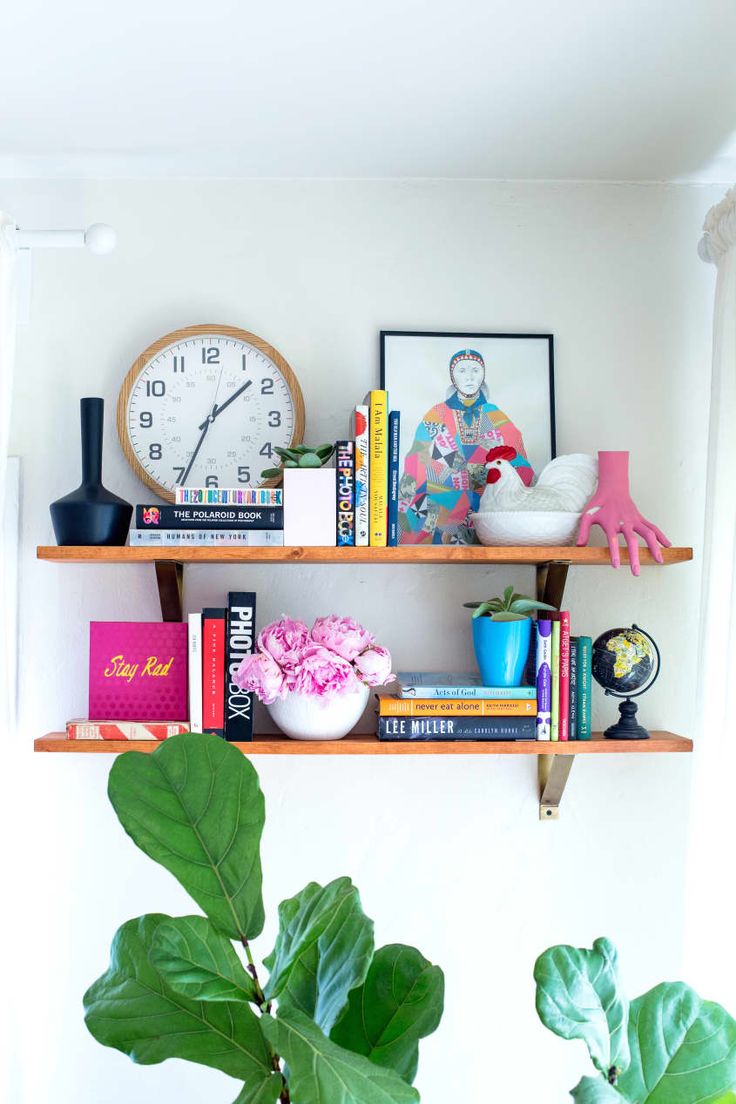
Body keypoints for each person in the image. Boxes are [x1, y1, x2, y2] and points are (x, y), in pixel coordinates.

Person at [398, 349, 533, 544]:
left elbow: (516, 454)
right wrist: (450, 468)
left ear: (483, 375)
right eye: (462, 371)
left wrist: (487, 470)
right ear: (452, 377)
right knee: (422, 509)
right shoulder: (439, 413)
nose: (469, 377)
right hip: (443, 494)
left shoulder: (494, 414)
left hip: (487, 498)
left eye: (475, 370)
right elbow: (418, 454)